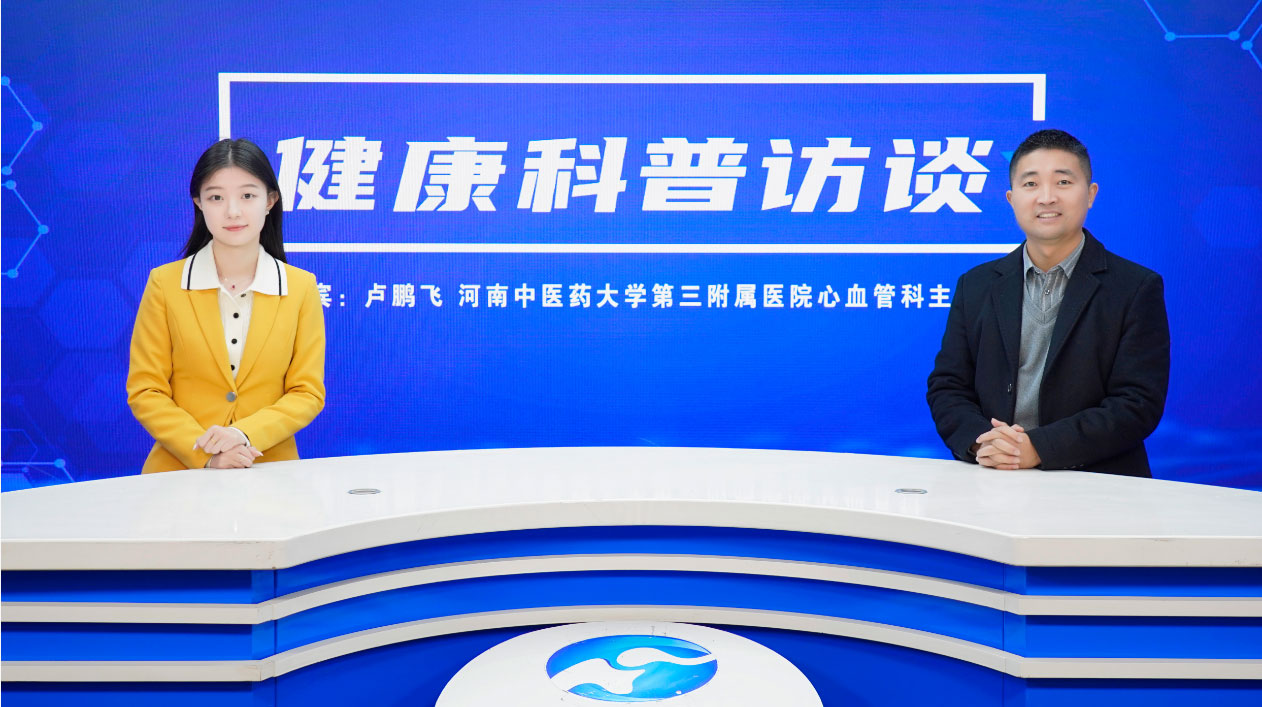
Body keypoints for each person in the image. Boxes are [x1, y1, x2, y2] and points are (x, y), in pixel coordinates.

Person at [926, 129, 1168, 478]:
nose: (1047, 197)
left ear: (1090, 194)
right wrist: (984, 444)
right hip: (993, 480)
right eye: (1031, 184)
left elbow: (1137, 403)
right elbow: (948, 386)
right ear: (1011, 199)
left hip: (1099, 485)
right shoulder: (975, 285)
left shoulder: (1135, 287)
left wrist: (1038, 448)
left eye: (1063, 182)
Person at [127, 138, 325, 474]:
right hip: (180, 471)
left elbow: (307, 392)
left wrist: (242, 434)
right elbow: (146, 390)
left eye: (247, 196)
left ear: (270, 200)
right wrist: (206, 453)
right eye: (216, 197)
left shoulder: (300, 287)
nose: (232, 211)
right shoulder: (165, 284)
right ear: (199, 202)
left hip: (270, 470)